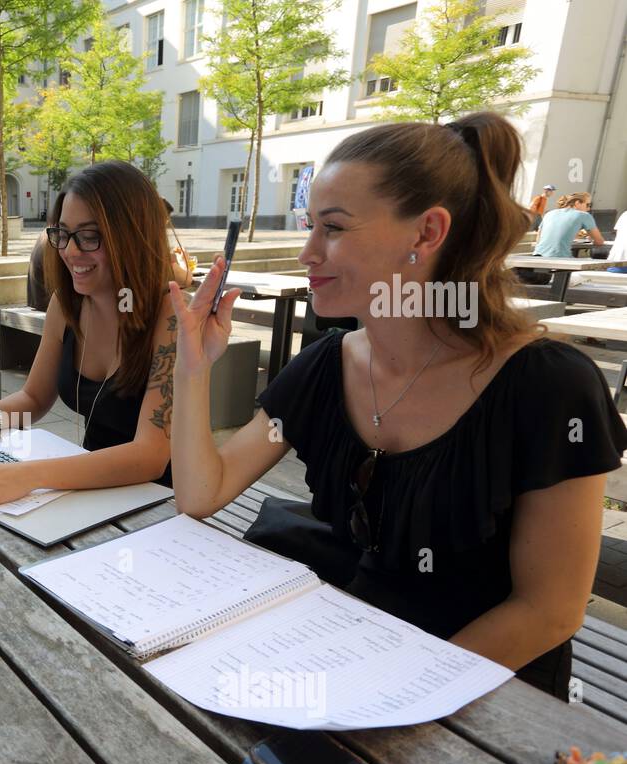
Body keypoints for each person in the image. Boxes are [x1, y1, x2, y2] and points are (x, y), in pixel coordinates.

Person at [169, 112, 627, 700]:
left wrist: (384, 693)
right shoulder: (327, 365)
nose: (307, 252)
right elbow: (202, 495)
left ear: (427, 233)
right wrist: (192, 367)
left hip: (480, 694)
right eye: (310, 225)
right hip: (348, 654)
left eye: (332, 228)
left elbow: (548, 612)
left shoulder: (548, 387)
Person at [0, 160, 178, 504]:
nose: (70, 251)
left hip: (162, 504)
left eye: (89, 236)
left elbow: (151, 455)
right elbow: (35, 398)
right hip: (89, 488)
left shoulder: (171, 315)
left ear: (132, 235)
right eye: (63, 234)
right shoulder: (67, 303)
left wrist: (30, 475)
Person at [532, 192, 604, 258]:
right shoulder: (584, 215)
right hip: (560, 257)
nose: (588, 208)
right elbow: (599, 242)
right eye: (587, 205)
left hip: (538, 255)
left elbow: (539, 238)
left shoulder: (549, 213)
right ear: (577, 203)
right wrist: (592, 240)